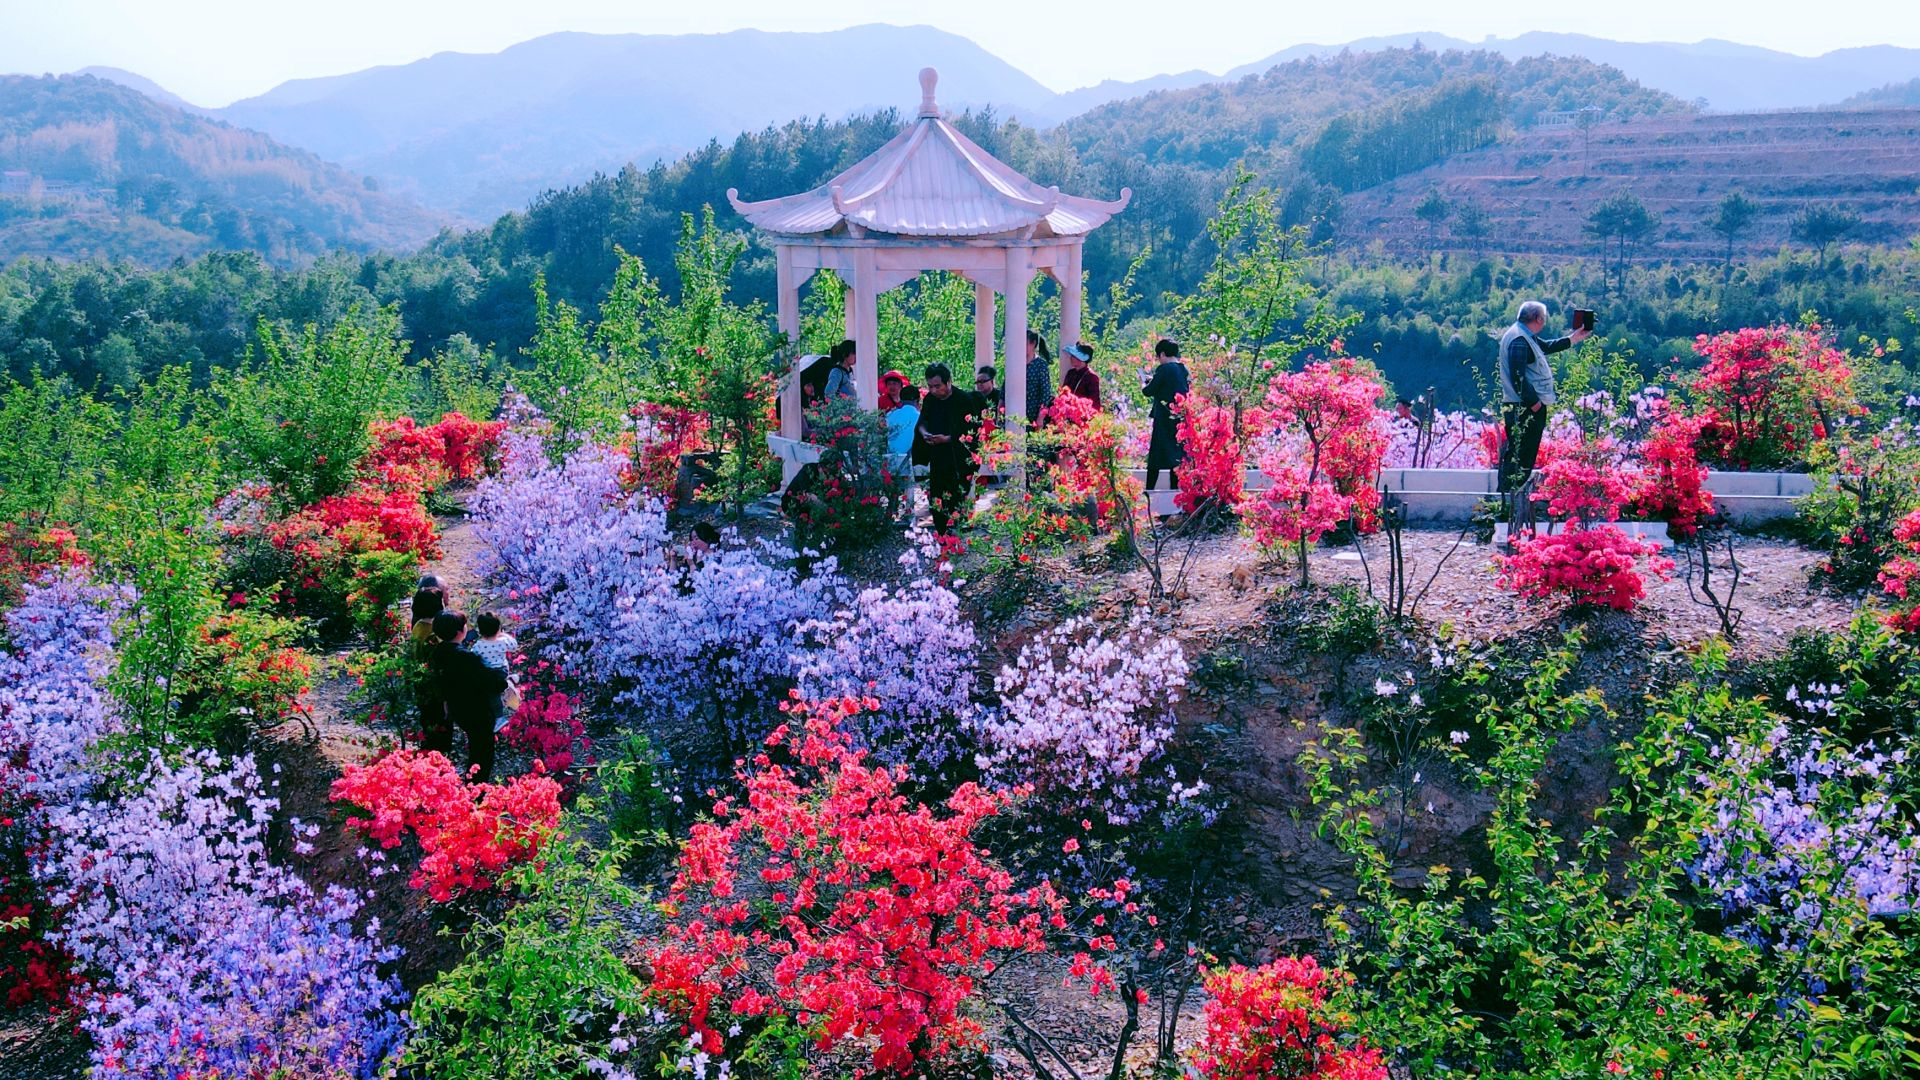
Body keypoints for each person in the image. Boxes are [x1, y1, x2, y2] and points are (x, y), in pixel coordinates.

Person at [1497, 300, 1592, 492]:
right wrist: (1535, 404)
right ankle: (1507, 500)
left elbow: (1545, 347)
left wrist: (1574, 338)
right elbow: (1518, 376)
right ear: (1539, 319)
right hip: (1525, 408)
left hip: (1522, 406)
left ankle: (1506, 500)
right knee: (1522, 455)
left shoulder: (1523, 335)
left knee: (1517, 454)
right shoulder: (1520, 339)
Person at [426, 610, 509, 782]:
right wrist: (504, 681)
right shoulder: (465, 657)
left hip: (457, 708)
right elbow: (489, 682)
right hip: (476, 711)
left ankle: (473, 786)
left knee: (476, 747)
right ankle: (476, 791)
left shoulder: (437, 653)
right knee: (482, 753)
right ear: (459, 632)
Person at [914, 363, 980, 534]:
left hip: (958, 456)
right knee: (937, 497)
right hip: (938, 455)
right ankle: (941, 534)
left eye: (938, 386)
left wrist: (948, 439)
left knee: (957, 496)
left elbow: (971, 431)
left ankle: (957, 534)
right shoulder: (930, 399)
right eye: (930, 386)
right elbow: (922, 422)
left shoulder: (963, 399)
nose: (934, 390)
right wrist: (925, 434)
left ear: (948, 382)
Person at [1143, 338, 1189, 494]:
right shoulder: (1183, 369)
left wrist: (1145, 383)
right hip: (1179, 419)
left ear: (1162, 354)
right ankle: (1173, 493)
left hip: (1163, 419)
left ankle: (1148, 491)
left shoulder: (1164, 369)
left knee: (1155, 458)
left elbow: (1148, 391)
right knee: (1175, 457)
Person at [470, 611, 519, 733]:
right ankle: (509, 680)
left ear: (480, 631)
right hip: (502, 670)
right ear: (498, 628)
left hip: (489, 674)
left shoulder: (479, 645)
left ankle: (500, 717)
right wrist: (504, 635)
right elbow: (514, 646)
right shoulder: (502, 641)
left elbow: (472, 656)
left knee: (493, 695)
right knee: (498, 685)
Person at [1023, 330, 1054, 426]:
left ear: (1033, 344)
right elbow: (1005, 389)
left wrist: (1041, 416)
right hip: (1015, 412)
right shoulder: (1015, 363)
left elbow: (1045, 393)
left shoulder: (1041, 365)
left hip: (1034, 414)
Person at [1062, 342, 1101, 409]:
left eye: (1074, 356)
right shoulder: (1070, 373)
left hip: (1082, 415)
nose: (1071, 358)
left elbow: (1095, 404)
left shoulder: (1092, 377)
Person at [887, 384, 921, 458]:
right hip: (912, 460)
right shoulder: (920, 417)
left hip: (891, 459)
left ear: (901, 400)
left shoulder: (890, 415)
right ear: (917, 400)